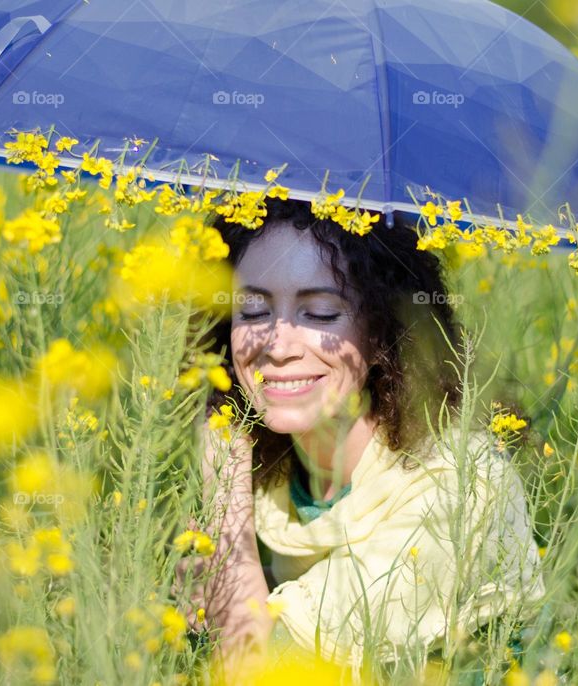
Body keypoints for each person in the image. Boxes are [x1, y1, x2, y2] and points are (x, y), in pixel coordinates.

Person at [181, 198, 545, 681]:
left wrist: (227, 519)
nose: (278, 346)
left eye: (320, 313)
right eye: (252, 310)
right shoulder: (270, 468)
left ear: (381, 333)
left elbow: (252, 669)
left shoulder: (461, 487)